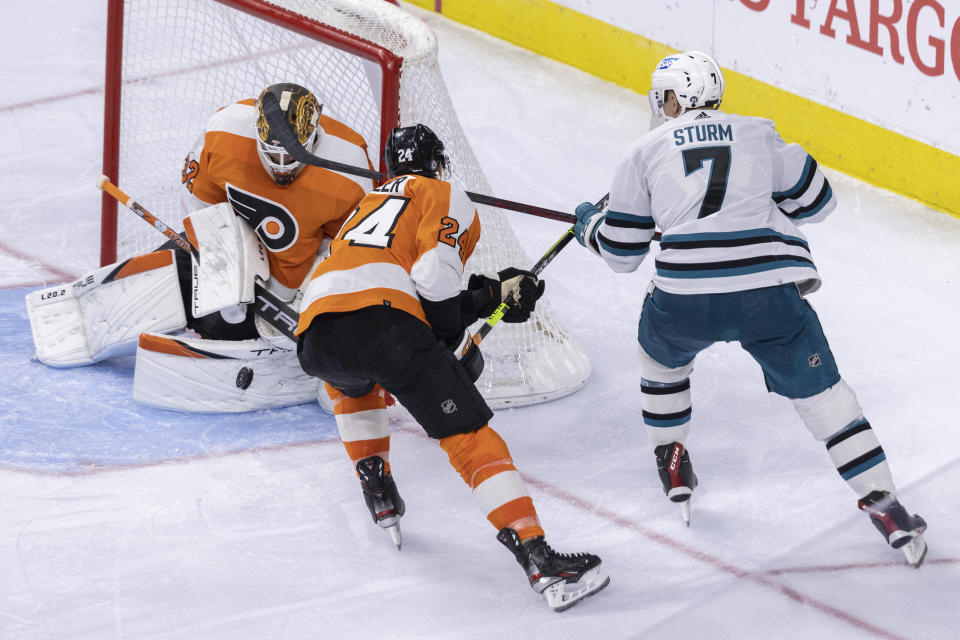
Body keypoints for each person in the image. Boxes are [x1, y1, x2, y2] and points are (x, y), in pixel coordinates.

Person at [571, 51, 927, 566]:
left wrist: (590, 226)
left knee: (662, 362)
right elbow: (819, 203)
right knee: (827, 399)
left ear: (671, 98)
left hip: (684, 299)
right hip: (767, 296)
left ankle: (671, 458)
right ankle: (885, 505)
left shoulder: (644, 150)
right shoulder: (759, 132)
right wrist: (761, 201)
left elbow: (623, 253)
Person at [296, 123, 610, 611]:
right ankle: (537, 556)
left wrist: (492, 295)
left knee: (355, 383)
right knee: (469, 435)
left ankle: (375, 482)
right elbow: (432, 280)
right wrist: (450, 341)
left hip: (316, 331)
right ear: (439, 163)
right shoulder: (441, 192)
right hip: (385, 325)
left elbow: (402, 286)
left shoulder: (367, 203)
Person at [27, 82, 373, 412]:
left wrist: (305, 293)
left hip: (291, 279)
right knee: (187, 280)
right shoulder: (224, 133)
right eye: (272, 155)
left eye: (291, 157)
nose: (281, 167)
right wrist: (224, 258)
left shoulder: (351, 166)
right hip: (233, 251)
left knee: (235, 326)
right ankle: (83, 316)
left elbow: (346, 247)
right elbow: (199, 203)